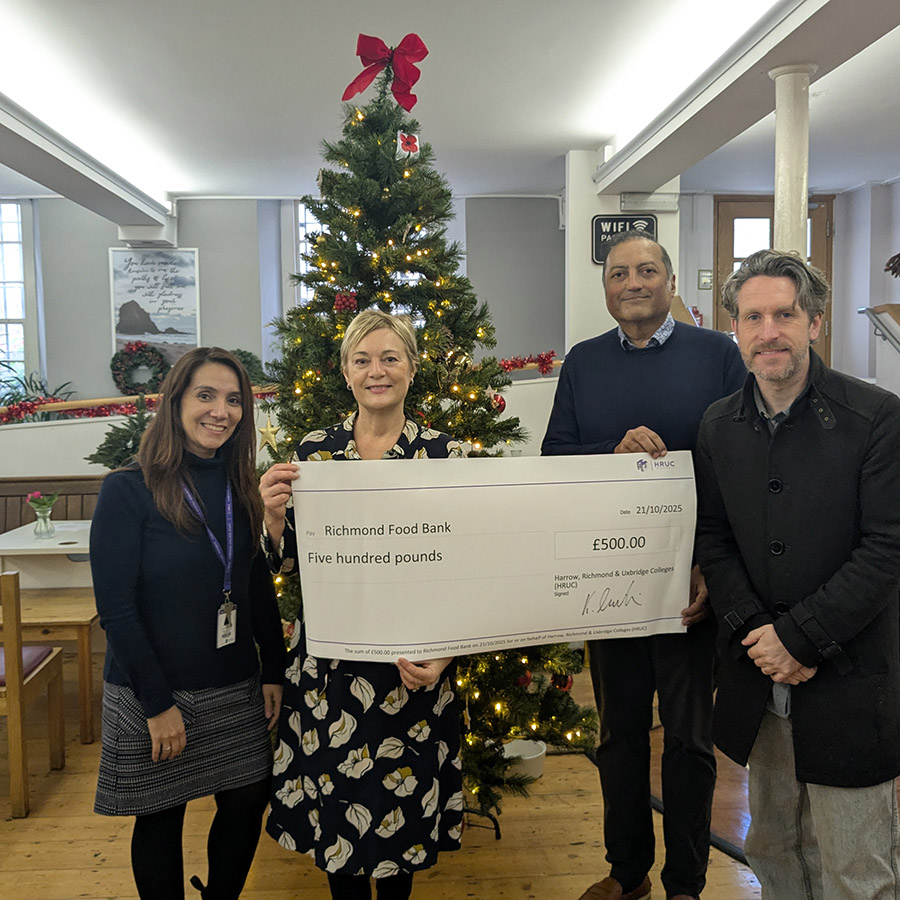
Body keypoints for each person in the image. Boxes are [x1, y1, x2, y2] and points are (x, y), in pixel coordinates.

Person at [542, 231, 745, 900]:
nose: (633, 282)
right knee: (619, 737)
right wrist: (614, 449)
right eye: (619, 272)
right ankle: (626, 872)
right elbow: (554, 459)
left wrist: (712, 570)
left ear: (671, 281)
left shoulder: (718, 355)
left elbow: (740, 467)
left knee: (688, 741)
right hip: (611, 585)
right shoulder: (583, 363)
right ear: (605, 287)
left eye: (648, 270)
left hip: (690, 586)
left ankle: (685, 882)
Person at [695, 249, 900, 900]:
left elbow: (887, 549)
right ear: (737, 329)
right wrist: (758, 631)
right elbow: (714, 539)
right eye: (752, 317)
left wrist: (799, 639)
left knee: (856, 868)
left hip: (849, 683)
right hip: (760, 683)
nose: (768, 331)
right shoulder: (718, 425)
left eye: (785, 314)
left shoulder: (877, 419)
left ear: (814, 322)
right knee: (775, 849)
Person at [260, 308, 464, 900]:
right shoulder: (315, 453)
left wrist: (447, 659)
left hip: (412, 675)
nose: (377, 371)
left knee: (396, 840)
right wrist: (275, 519)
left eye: (390, 357)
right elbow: (289, 564)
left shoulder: (447, 455)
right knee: (340, 836)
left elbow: (468, 578)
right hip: (330, 677)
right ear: (346, 372)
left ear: (413, 367)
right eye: (362, 360)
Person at [90, 347, 286, 900]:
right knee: (159, 815)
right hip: (153, 688)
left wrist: (272, 667)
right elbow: (117, 612)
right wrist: (157, 705)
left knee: (248, 798)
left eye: (233, 400)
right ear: (174, 401)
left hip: (232, 681)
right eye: (205, 395)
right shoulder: (127, 489)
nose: (219, 411)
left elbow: (252, 586)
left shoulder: (243, 485)